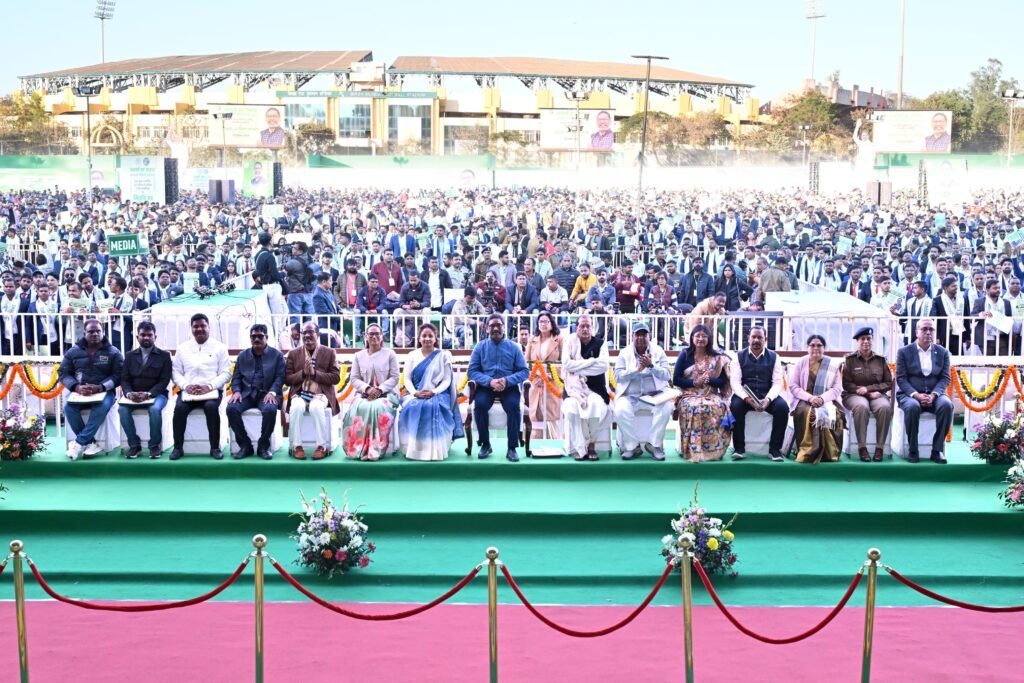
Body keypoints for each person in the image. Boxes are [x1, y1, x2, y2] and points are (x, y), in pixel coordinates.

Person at [58, 318, 123, 460]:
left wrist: (101, 387)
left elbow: (118, 375)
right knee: (68, 407)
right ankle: (91, 443)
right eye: (91, 331)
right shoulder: (73, 352)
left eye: (98, 331)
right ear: (84, 333)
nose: (95, 334)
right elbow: (63, 373)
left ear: (103, 332)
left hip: (104, 392)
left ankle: (78, 443)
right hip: (79, 392)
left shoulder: (113, 352)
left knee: (101, 406)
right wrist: (76, 387)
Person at [170, 313, 232, 460]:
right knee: (179, 409)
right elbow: (175, 372)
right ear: (191, 329)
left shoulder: (220, 347)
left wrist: (210, 386)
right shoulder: (182, 348)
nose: (199, 329)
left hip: (211, 391)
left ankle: (215, 448)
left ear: (209, 327)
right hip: (189, 391)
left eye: (203, 326)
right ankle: (178, 448)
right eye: (195, 326)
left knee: (211, 408)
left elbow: (226, 373)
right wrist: (186, 386)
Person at [468, 314, 530, 461]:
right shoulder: (480, 347)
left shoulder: (514, 347)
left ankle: (512, 447)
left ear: (504, 327)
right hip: (486, 386)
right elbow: (472, 371)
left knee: (513, 406)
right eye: (492, 326)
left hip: (508, 386)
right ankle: (485, 444)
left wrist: (507, 381)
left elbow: (524, 371)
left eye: (498, 325)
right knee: (480, 405)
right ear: (487, 328)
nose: (495, 328)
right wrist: (490, 381)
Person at [398, 323, 465, 461]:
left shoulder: (443, 356)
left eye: (430, 336)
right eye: (424, 336)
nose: (427, 338)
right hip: (415, 392)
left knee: (432, 406)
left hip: (439, 393)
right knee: (412, 406)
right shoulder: (412, 355)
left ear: (435, 338)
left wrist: (434, 392)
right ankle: (415, 447)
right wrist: (415, 393)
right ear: (419, 338)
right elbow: (407, 379)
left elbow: (446, 380)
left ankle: (435, 449)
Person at [896, 319, 953, 464]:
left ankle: (937, 450)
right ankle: (913, 449)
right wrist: (916, 395)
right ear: (917, 332)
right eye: (924, 329)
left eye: (931, 329)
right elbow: (901, 379)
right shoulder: (904, 352)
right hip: (910, 395)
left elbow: (945, 378)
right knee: (912, 407)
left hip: (935, 395)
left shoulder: (943, 352)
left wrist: (934, 395)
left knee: (946, 405)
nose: (928, 332)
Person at [613, 322, 673, 460]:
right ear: (632, 336)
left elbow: (667, 375)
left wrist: (651, 366)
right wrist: (637, 370)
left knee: (667, 406)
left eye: (644, 335)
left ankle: (654, 445)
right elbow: (618, 376)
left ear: (649, 336)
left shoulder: (658, 351)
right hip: (630, 396)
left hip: (654, 396)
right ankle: (632, 446)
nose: (640, 338)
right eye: (637, 335)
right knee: (620, 410)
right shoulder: (624, 353)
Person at [727, 326, 788, 462]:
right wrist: (747, 399)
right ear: (748, 339)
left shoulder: (774, 357)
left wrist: (768, 399)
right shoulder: (738, 356)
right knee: (736, 406)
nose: (756, 340)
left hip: (767, 395)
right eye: (753, 337)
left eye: (759, 337)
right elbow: (735, 383)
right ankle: (739, 449)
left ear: (765, 340)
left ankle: (775, 449)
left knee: (783, 408)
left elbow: (777, 382)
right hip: (745, 396)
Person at [672, 324, 731, 462]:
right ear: (692, 338)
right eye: (697, 336)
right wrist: (694, 382)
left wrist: (709, 380)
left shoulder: (717, 357)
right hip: (689, 394)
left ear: (709, 338)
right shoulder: (685, 354)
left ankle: (714, 451)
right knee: (695, 407)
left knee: (717, 406)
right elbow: (676, 380)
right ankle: (693, 450)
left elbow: (722, 381)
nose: (700, 339)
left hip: (710, 393)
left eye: (704, 336)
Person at [227, 324, 285, 460]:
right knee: (231, 409)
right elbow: (236, 377)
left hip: (267, 394)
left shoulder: (277, 355)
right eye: (253, 337)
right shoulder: (243, 356)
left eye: (260, 336)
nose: (256, 339)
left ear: (267, 337)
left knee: (270, 410)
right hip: (247, 394)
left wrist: (272, 392)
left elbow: (280, 377)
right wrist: (236, 391)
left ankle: (263, 446)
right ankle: (245, 445)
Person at [284, 321, 341, 460]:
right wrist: (303, 373)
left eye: (311, 333)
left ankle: (321, 446)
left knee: (316, 407)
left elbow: (335, 378)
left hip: (321, 394)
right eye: (304, 333)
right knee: (296, 407)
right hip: (299, 393)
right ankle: (297, 446)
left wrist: (315, 374)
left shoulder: (329, 352)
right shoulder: (293, 354)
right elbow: (287, 379)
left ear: (318, 334)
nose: (307, 336)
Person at [343, 323, 400, 460]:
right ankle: (359, 449)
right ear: (365, 336)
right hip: (364, 394)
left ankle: (375, 449)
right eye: (371, 334)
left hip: (387, 395)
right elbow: (354, 378)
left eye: (377, 334)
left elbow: (395, 377)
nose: (374, 337)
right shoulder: (358, 356)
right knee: (361, 407)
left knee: (377, 407)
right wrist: (368, 389)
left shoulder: (390, 354)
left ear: (382, 336)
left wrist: (379, 389)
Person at [117, 321, 173, 460]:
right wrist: (129, 393)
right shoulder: (129, 356)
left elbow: (164, 380)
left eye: (149, 335)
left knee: (154, 409)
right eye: (143, 335)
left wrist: (149, 394)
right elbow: (124, 379)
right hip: (133, 395)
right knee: (122, 410)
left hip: (157, 395)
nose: (146, 337)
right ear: (137, 337)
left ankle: (154, 446)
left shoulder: (164, 356)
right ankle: (134, 445)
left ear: (155, 337)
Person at [788, 335, 845, 464]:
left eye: (819, 345)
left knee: (834, 414)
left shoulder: (832, 365)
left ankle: (829, 452)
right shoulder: (801, 362)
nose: (815, 348)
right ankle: (807, 452)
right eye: (812, 345)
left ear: (824, 348)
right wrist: (810, 398)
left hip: (826, 400)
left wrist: (822, 398)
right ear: (807, 348)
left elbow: (837, 388)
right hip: (804, 399)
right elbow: (793, 386)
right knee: (809, 413)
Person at [840, 327, 894, 462]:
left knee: (884, 408)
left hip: (877, 394)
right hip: (854, 395)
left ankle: (879, 448)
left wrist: (869, 389)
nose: (866, 341)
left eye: (869, 339)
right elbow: (846, 384)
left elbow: (888, 382)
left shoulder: (881, 360)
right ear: (857, 342)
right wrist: (867, 393)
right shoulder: (850, 360)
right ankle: (862, 447)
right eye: (862, 339)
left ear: (872, 340)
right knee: (861, 407)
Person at [561, 314, 610, 461]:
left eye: (588, 326)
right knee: (572, 408)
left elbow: (603, 366)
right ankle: (581, 447)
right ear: (576, 328)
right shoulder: (570, 342)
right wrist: (591, 362)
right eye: (582, 326)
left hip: (596, 390)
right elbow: (566, 364)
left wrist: (576, 368)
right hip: (573, 390)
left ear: (592, 328)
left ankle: (591, 445)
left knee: (594, 404)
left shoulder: (601, 344)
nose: (585, 329)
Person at [525, 311, 564, 439]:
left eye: (546, 321)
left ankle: (555, 442)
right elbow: (526, 363)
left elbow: (564, 362)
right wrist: (537, 374)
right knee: (535, 414)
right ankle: (534, 443)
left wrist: (551, 374)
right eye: (541, 321)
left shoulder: (559, 339)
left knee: (552, 415)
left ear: (551, 323)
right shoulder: (532, 340)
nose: (543, 324)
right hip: (536, 383)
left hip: (552, 382)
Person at [971, 278, 1013, 355]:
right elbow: (971, 317)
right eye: (995, 288)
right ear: (987, 290)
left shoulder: (1006, 302)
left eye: (999, 288)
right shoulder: (979, 301)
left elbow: (1010, 318)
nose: (998, 290)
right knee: (989, 361)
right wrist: (981, 314)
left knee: (1004, 360)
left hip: (1002, 337)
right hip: (986, 337)